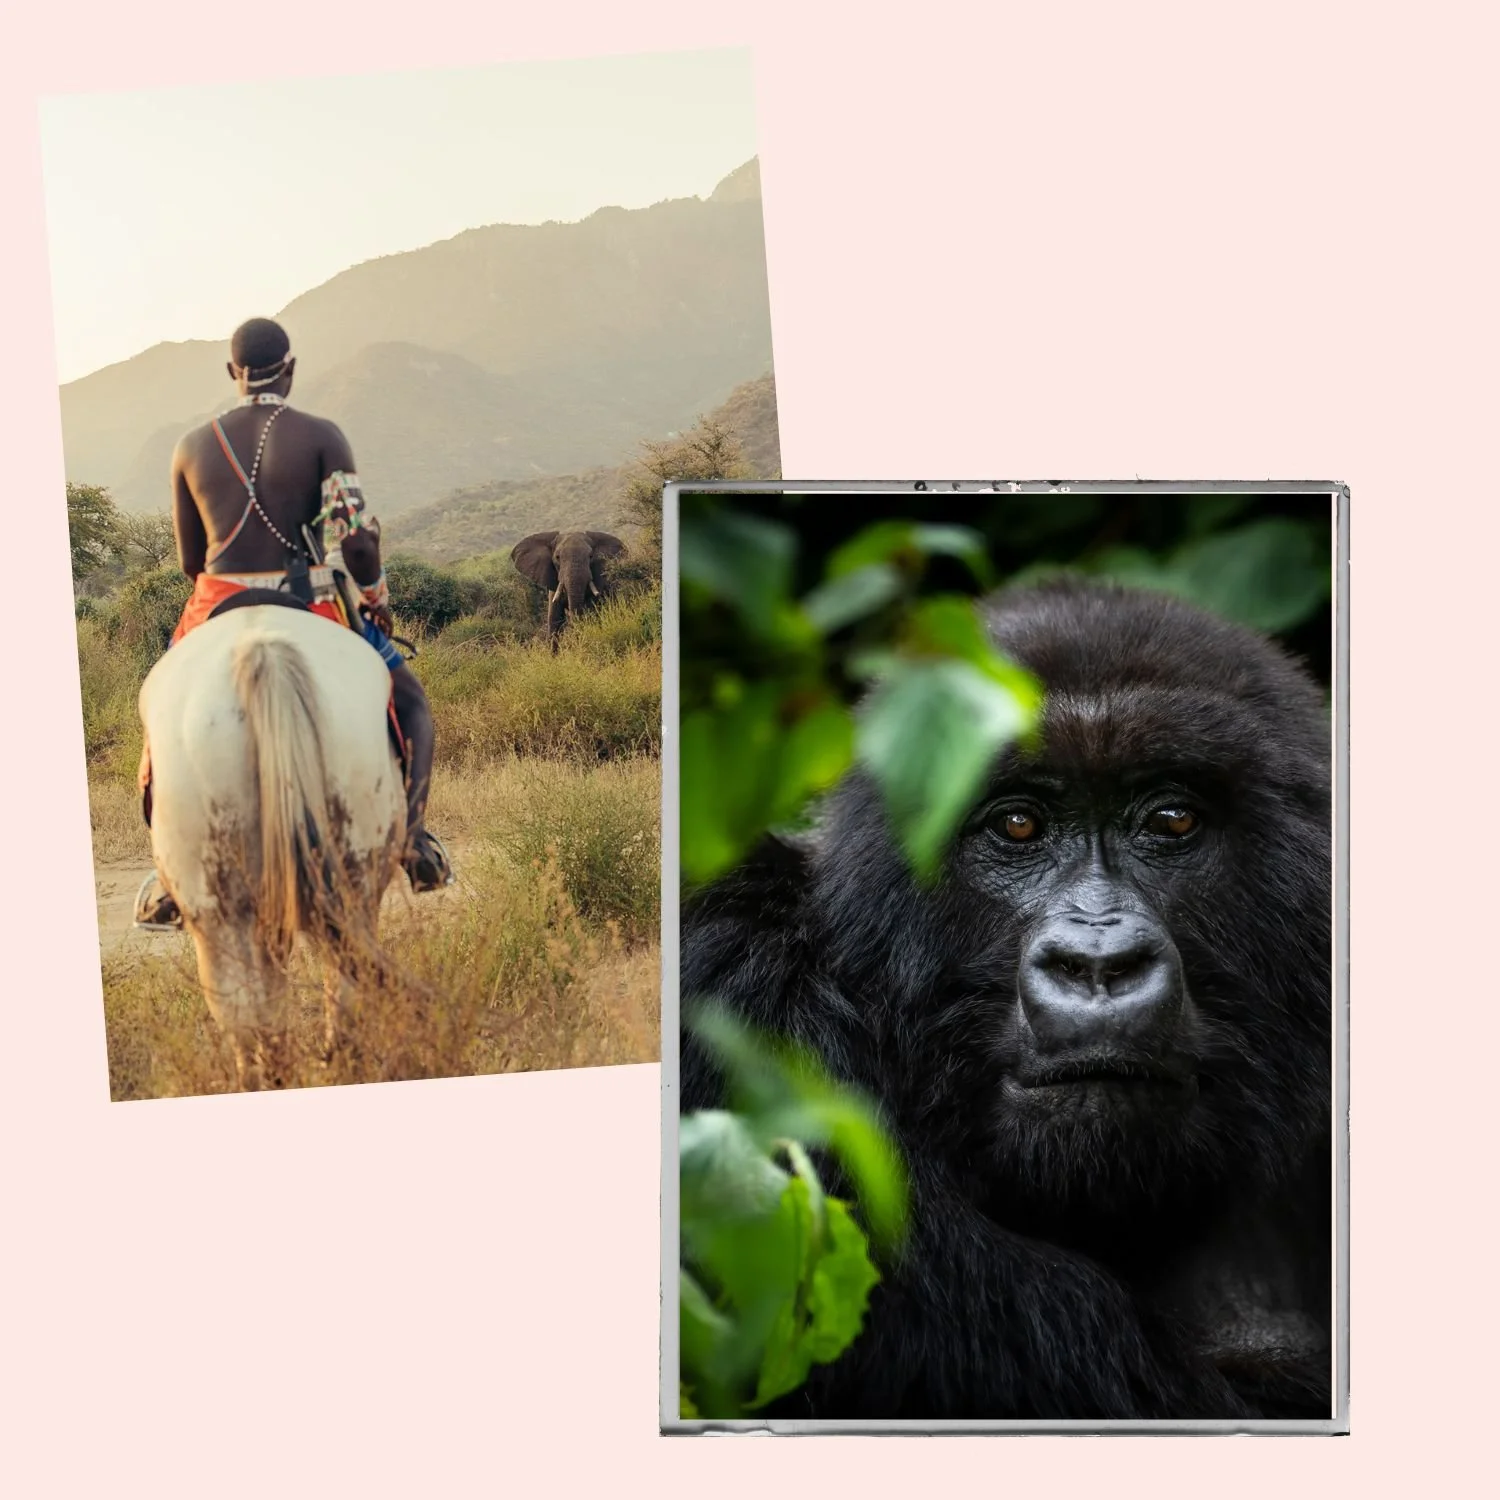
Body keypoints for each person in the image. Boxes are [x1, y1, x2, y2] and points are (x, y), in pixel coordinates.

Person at [134, 317, 453, 928]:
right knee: (410, 702)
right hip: (309, 599)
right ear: (291, 369)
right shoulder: (322, 436)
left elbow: (188, 562)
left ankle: (168, 874)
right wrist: (377, 596)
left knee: (159, 712)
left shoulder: (191, 446)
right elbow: (356, 545)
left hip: (215, 601)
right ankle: (413, 843)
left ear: (233, 373)